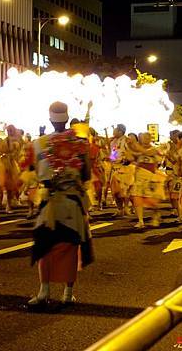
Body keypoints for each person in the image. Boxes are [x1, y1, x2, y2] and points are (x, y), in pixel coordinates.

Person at [28, 101, 94, 306]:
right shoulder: (80, 143)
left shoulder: (39, 143)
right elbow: (86, 174)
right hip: (72, 200)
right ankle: (67, 293)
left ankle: (43, 292)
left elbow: (35, 172)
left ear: (49, 119)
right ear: (67, 119)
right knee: (70, 245)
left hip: (49, 200)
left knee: (45, 245)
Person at [128, 133, 167, 228]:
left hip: (150, 177)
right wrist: (128, 150)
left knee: (151, 200)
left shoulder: (154, 149)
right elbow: (132, 157)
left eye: (147, 138)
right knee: (137, 197)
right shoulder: (139, 149)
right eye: (143, 138)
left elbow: (146, 153)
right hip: (139, 176)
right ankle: (140, 221)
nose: (145, 139)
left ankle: (156, 213)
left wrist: (133, 144)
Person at [109, 124, 135, 217]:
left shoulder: (127, 140)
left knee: (124, 191)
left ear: (120, 131)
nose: (114, 131)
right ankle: (119, 209)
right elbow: (113, 155)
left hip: (124, 168)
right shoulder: (113, 141)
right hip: (115, 167)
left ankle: (127, 208)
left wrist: (127, 159)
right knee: (115, 192)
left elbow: (132, 153)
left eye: (115, 129)